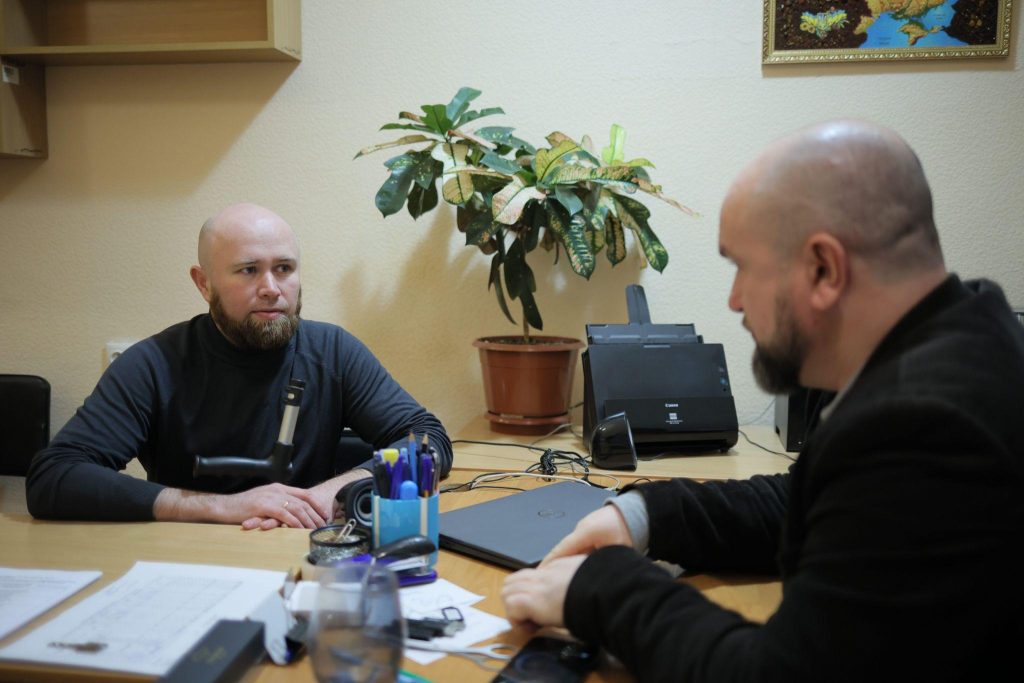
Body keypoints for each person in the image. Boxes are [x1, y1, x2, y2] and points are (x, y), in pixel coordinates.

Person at [501, 120, 1024, 681]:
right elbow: (807, 501)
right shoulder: (964, 340)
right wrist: (644, 516)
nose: (733, 300)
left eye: (742, 267)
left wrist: (602, 589)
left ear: (824, 269)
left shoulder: (926, 423)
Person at [26, 203, 452, 530]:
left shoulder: (333, 352)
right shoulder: (153, 364)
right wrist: (225, 507)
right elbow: (54, 476)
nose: (271, 289)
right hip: (189, 560)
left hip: (303, 552)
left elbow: (428, 439)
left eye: (283, 269)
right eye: (248, 271)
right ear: (204, 283)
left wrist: (333, 491)